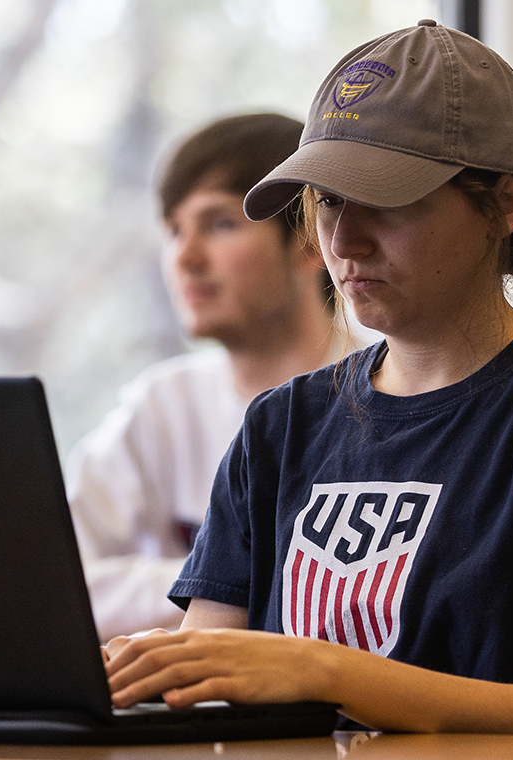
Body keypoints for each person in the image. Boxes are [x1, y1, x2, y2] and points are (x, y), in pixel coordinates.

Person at [102, 21, 513, 735]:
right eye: (326, 201)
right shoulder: (280, 425)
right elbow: (206, 685)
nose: (344, 241)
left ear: (505, 203)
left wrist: (321, 669)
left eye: (384, 199)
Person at [67, 114, 338, 640]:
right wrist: (232, 582)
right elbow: (55, 584)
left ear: (311, 240)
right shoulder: (162, 405)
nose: (186, 258)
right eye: (173, 230)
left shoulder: (391, 397)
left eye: (219, 224)